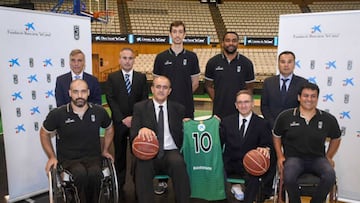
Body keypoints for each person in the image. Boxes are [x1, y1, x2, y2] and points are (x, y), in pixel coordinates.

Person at [40, 79, 114, 203]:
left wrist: (105, 150)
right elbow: (44, 133)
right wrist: (51, 156)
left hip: (93, 157)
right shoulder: (58, 114)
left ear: (88, 92)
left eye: (83, 91)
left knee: (95, 174)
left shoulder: (99, 111)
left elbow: (110, 128)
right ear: (70, 93)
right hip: (69, 160)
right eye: (75, 92)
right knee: (80, 174)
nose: (79, 96)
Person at [273, 82, 341, 203]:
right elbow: (276, 136)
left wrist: (329, 156)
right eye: (306, 96)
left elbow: (336, 138)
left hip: (317, 159)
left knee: (330, 175)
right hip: (294, 158)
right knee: (288, 176)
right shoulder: (285, 116)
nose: (309, 99)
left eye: (313, 96)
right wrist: (279, 156)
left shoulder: (327, 119)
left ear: (317, 98)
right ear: (299, 97)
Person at [153, 20, 200, 194]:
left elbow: (195, 83)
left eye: (181, 31)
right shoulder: (161, 57)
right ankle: (163, 179)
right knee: (164, 143)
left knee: (186, 144)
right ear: (170, 34)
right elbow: (158, 85)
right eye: (175, 31)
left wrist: (183, 96)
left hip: (186, 109)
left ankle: (188, 177)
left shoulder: (192, 57)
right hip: (166, 110)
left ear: (185, 34)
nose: (178, 34)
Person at [130, 76, 190, 203]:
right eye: (158, 87)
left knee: (179, 164)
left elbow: (186, 133)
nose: (161, 90)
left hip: (171, 150)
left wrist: (189, 126)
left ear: (169, 91)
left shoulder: (178, 109)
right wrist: (141, 130)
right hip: (149, 150)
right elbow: (133, 134)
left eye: (165, 87)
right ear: (152, 89)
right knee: (142, 166)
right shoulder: (140, 107)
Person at [260, 50, 307, 199]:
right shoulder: (268, 82)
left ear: (294, 64)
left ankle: (285, 192)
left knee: (289, 164)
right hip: (272, 129)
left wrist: (289, 126)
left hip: (292, 132)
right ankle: (267, 192)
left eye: (289, 62)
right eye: (283, 61)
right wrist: (274, 125)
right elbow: (264, 106)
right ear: (278, 63)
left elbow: (304, 107)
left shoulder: (302, 83)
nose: (286, 65)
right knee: (270, 160)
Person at [105, 48, 148, 198]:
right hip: (119, 122)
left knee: (138, 155)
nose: (127, 61)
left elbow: (144, 100)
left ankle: (139, 183)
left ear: (134, 60)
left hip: (136, 123)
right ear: (119, 60)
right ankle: (119, 183)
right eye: (124, 58)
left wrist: (135, 118)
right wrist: (122, 118)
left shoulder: (141, 78)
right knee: (120, 155)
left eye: (130, 58)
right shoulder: (112, 77)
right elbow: (110, 99)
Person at [220, 90, 272, 203]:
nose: (243, 105)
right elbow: (218, 142)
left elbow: (266, 144)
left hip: (249, 163)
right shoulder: (226, 122)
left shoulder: (262, 124)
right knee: (217, 170)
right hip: (230, 162)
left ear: (253, 103)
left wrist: (265, 148)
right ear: (236, 105)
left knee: (255, 175)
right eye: (240, 102)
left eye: (246, 102)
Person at [205, 31, 255, 119]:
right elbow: (208, 85)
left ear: (238, 43)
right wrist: (217, 100)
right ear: (222, 43)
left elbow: (249, 87)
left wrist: (245, 104)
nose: (231, 43)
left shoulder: (246, 63)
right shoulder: (213, 62)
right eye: (228, 40)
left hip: (240, 111)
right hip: (219, 112)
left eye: (234, 40)